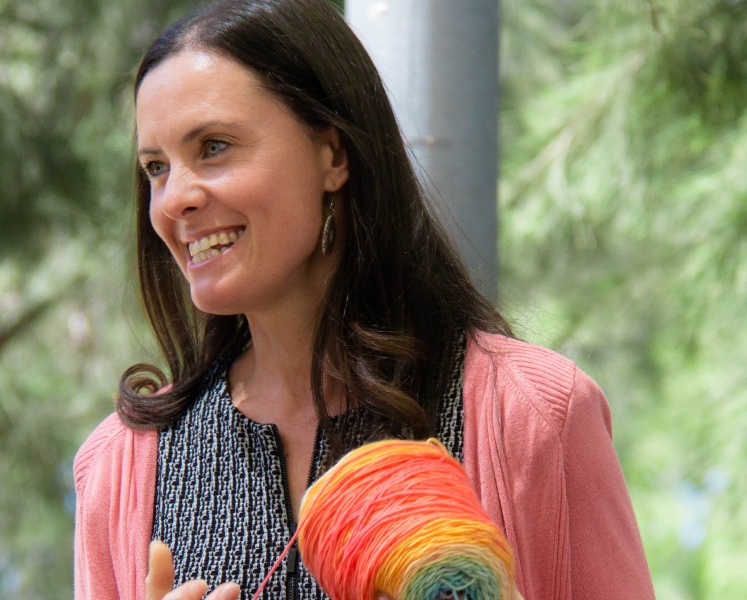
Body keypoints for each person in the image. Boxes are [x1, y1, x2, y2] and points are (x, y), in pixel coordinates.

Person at [73, 0, 655, 598]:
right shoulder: (123, 464)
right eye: (155, 168)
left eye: (214, 147)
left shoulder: (534, 414)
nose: (173, 201)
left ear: (334, 154)